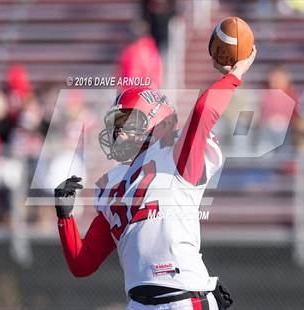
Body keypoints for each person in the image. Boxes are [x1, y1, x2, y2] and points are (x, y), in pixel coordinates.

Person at [53, 46, 257, 309]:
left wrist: (237, 72)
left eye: (126, 122)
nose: (118, 132)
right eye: (116, 125)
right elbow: (83, 263)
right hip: (139, 303)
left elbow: (204, 109)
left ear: (154, 119)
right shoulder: (112, 183)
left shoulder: (176, 156)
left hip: (183, 298)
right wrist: (64, 218)